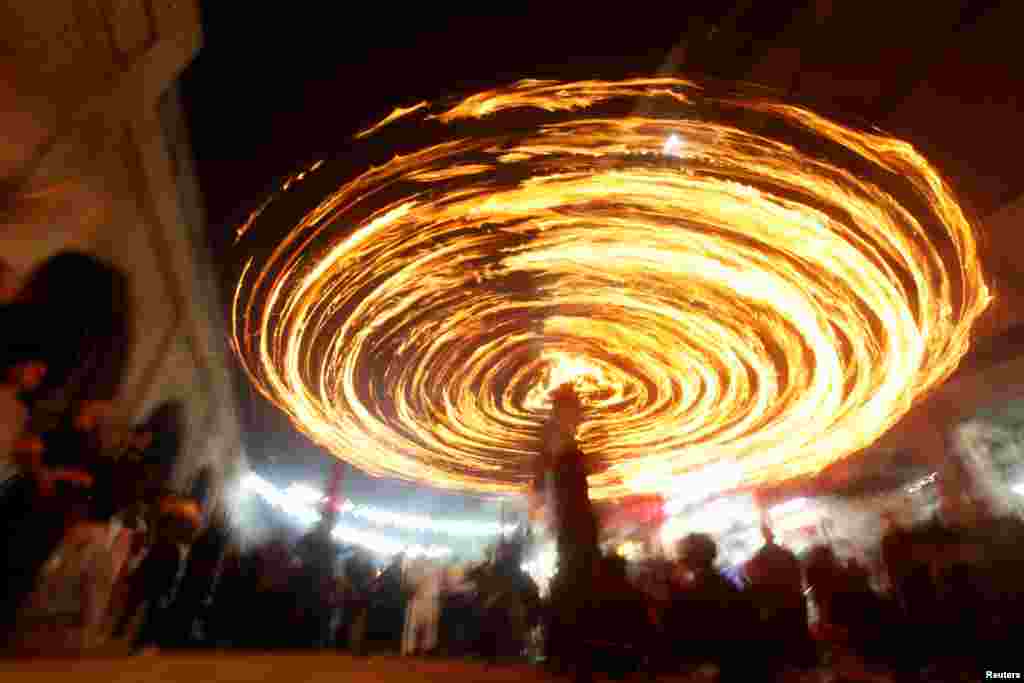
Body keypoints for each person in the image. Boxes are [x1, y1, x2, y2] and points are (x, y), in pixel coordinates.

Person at [744, 523, 816, 673]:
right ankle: (808, 666)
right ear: (772, 535)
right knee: (800, 634)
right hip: (794, 599)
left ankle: (797, 668)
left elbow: (756, 582)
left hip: (777, 604)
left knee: (786, 639)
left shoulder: (758, 557)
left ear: (763, 536)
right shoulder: (786, 553)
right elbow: (798, 575)